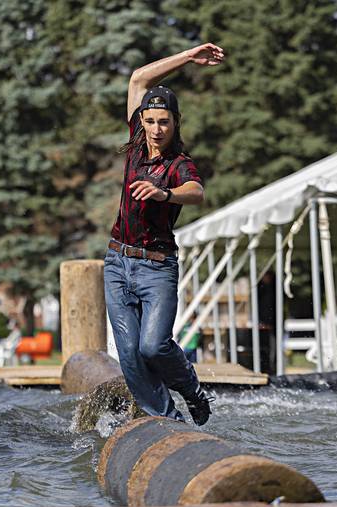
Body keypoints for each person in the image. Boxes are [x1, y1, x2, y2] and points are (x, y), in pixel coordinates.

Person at [103, 43, 223, 426]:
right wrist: (188, 57)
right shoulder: (137, 145)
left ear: (175, 124)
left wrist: (164, 193)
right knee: (131, 355)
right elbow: (139, 77)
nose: (156, 129)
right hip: (117, 263)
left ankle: (191, 390)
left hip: (157, 268)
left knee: (153, 346)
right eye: (151, 121)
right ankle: (169, 423)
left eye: (164, 122)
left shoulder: (179, 165)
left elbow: (198, 193)